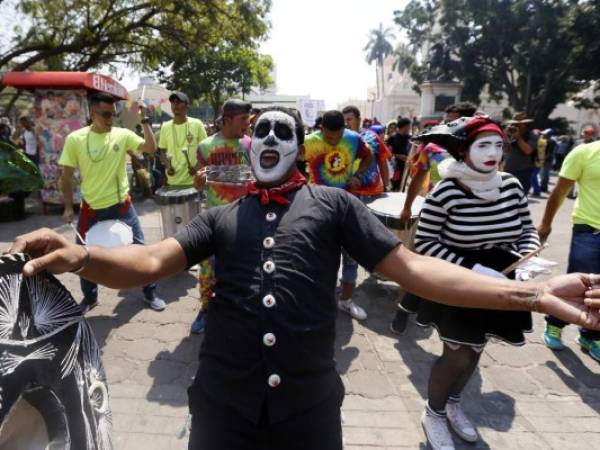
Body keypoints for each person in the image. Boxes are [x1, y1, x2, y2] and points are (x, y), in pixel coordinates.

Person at [8, 106, 600, 450]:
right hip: (221, 408)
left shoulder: (336, 206)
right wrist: (81, 253)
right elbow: (150, 263)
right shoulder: (220, 215)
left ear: (300, 148)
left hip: (310, 410)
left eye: (281, 132)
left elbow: (415, 270)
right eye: (259, 131)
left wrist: (535, 293)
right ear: (246, 143)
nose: (268, 139)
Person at [401, 116, 542, 450]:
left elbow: (526, 228)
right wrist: (472, 267)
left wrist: (529, 256)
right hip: (458, 281)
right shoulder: (446, 191)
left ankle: (453, 403)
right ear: (464, 152)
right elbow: (426, 242)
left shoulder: (510, 184)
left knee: (477, 349)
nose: (493, 152)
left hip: (500, 280)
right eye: (483, 145)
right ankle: (433, 413)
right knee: (458, 355)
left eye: (498, 145)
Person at [59, 92, 167, 313]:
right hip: (91, 209)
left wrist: (144, 120)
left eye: (113, 115)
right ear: (92, 113)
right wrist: (68, 207)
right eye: (106, 115)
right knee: (83, 257)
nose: (110, 120)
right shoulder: (75, 139)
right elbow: (67, 177)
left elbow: (150, 148)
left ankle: (150, 293)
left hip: (122, 206)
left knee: (141, 251)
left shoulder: (122, 134)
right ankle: (90, 298)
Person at [304, 110, 373, 321]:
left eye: (338, 136)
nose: (333, 141)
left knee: (351, 257)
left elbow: (368, 156)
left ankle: (345, 300)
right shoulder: (308, 142)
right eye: (329, 137)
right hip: (317, 207)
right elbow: (292, 163)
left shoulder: (353, 139)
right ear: (321, 129)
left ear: (344, 129)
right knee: (319, 255)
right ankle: (318, 299)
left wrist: (359, 175)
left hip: (348, 205)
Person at [190, 99, 252, 334]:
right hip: (215, 220)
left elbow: (253, 177)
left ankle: (240, 311)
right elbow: (199, 183)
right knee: (208, 270)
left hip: (245, 218)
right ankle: (206, 309)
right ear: (226, 120)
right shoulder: (206, 146)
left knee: (244, 269)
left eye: (248, 119)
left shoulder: (249, 144)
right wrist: (199, 180)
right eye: (243, 119)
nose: (247, 124)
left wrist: (218, 173)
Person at [538, 137, 600, 361]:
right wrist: (546, 223)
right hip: (589, 228)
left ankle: (592, 335)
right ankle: (555, 324)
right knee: (580, 284)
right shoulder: (584, 152)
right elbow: (560, 190)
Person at [158, 92, 208, 187]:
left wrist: (197, 168)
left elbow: (206, 150)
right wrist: (168, 166)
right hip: (173, 182)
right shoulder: (165, 126)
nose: (175, 105)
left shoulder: (197, 124)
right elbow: (162, 152)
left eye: (179, 102)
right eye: (173, 102)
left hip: (195, 182)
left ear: (187, 106)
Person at [342, 105, 390, 195]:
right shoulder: (339, 140)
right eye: (343, 121)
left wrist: (386, 186)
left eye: (349, 119)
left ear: (359, 120)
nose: (346, 123)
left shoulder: (372, 137)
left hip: (371, 192)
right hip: (347, 194)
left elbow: (382, 163)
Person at [503, 112, 538, 194]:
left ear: (525, 124)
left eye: (518, 124)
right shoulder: (509, 133)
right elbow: (504, 150)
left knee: (519, 197)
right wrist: (505, 136)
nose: (515, 126)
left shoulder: (531, 134)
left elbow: (528, 151)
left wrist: (518, 137)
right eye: (514, 124)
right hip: (508, 170)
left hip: (523, 171)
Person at [387, 117, 412, 192]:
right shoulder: (392, 138)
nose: (409, 128)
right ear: (404, 127)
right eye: (408, 127)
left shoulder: (411, 138)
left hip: (406, 166)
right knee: (395, 186)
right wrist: (398, 156)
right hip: (395, 166)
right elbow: (388, 153)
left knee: (404, 185)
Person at [540, 128, 556, 193]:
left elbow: (549, 152)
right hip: (545, 159)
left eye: (545, 134)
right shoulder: (546, 140)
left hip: (547, 160)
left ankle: (544, 187)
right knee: (543, 173)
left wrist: (543, 159)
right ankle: (543, 186)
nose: (543, 134)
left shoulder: (551, 141)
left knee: (545, 174)